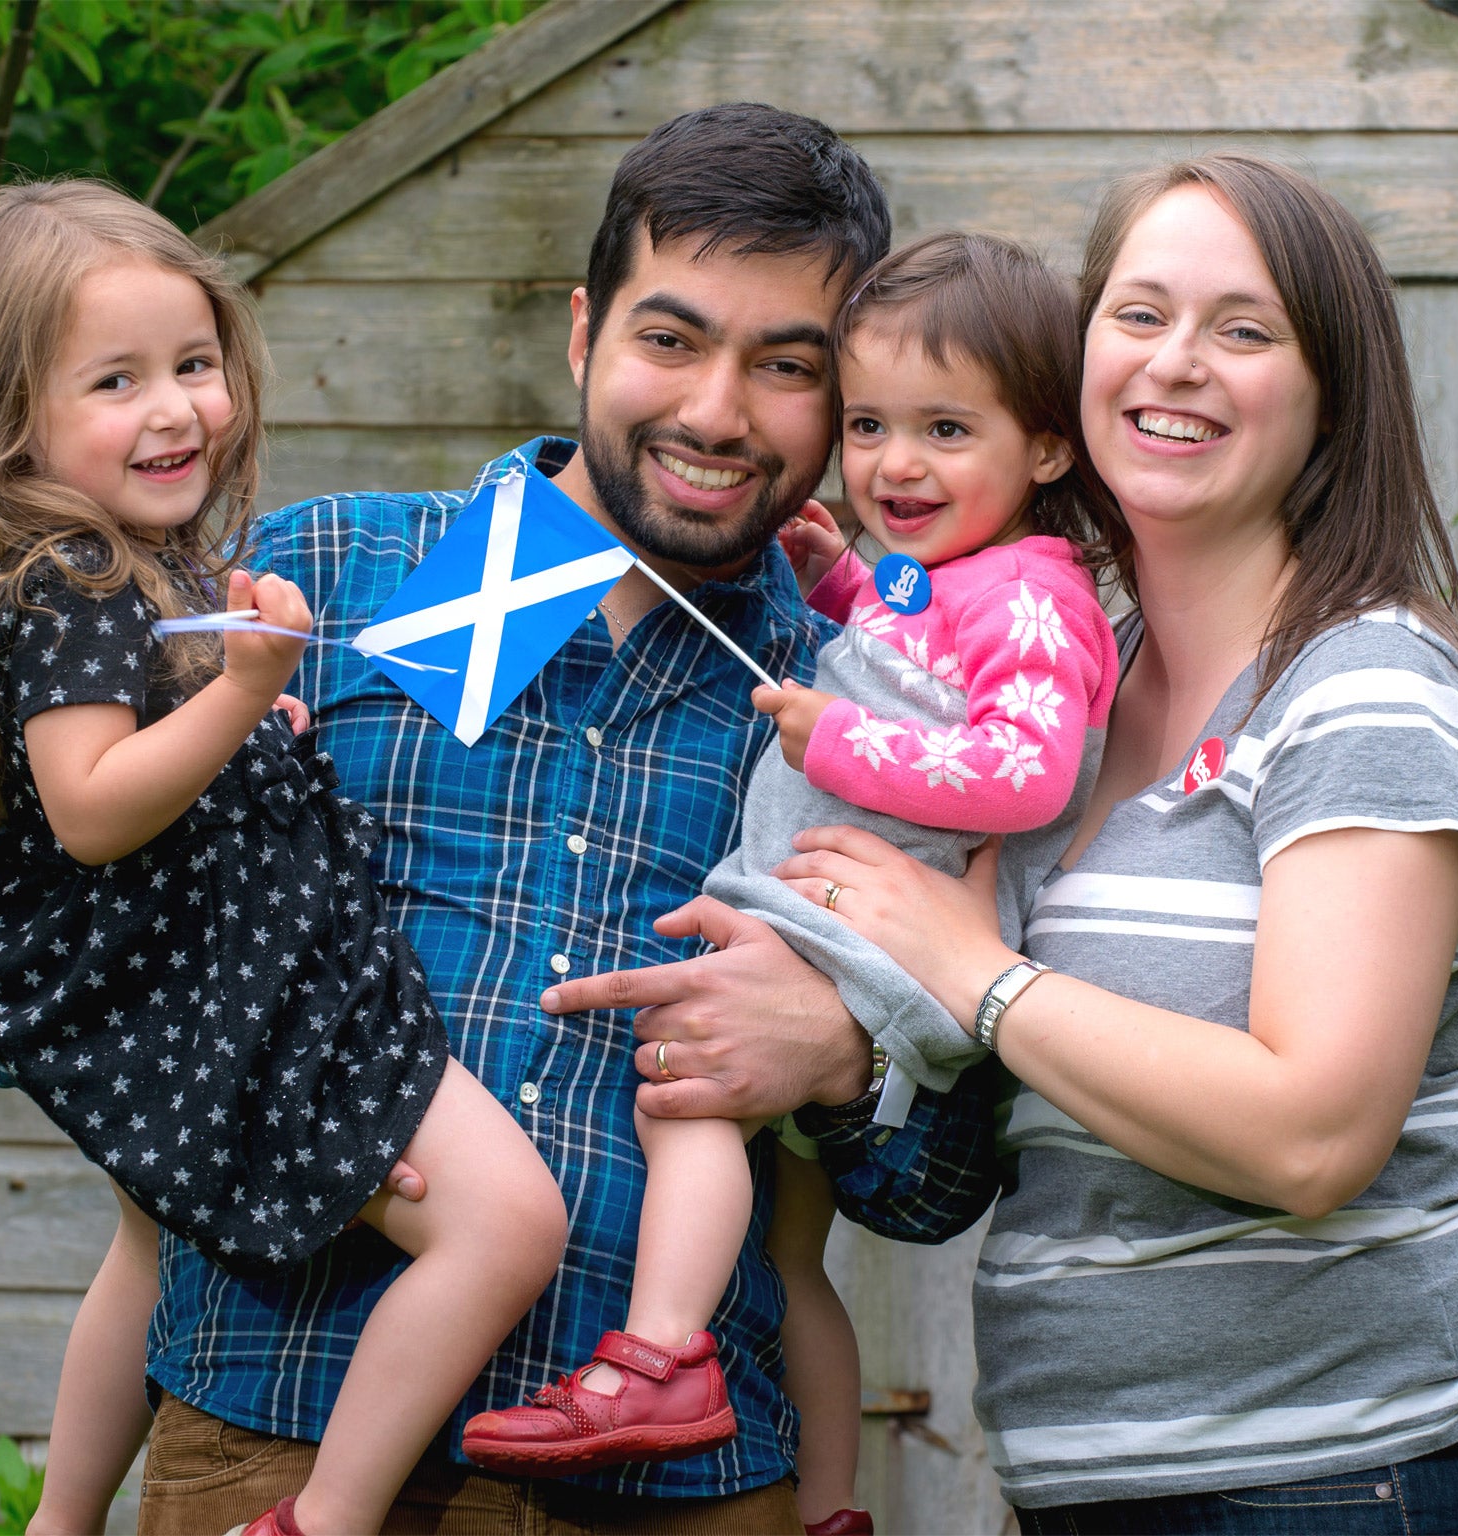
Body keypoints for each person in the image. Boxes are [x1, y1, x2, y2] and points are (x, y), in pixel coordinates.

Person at [127, 103, 950, 1535]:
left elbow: (941, 1181)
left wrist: (840, 1056)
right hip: (282, 1428)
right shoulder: (325, 585)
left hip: (678, 1487)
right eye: (671, 339)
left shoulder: (865, 705)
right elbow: (19, 927)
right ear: (585, 334)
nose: (714, 411)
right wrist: (226, 1069)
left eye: (786, 368)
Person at [753, 152, 1458, 1532]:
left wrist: (980, 978)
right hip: (1087, 1485)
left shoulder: (1363, 684)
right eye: (1138, 316)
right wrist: (834, 1044)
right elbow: (974, 1166)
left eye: (1242, 330)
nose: (1176, 363)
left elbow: (1313, 1136)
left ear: (1329, 394)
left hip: (1346, 1479)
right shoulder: (1065, 698)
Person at [0, 180, 567, 1536]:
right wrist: (241, 694)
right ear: (12, 427)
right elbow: (91, 806)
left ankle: (61, 1522)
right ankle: (328, 1514)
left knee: (152, 1244)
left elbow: (142, 753)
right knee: (507, 1225)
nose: (176, 407)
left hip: (175, 976)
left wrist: (237, 718)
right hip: (194, 988)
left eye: (192, 363)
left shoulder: (134, 561)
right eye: (116, 381)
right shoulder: (72, 578)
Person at [463, 233, 1117, 1536]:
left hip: (856, 924)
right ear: (584, 330)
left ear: (1046, 446)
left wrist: (837, 739)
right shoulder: (963, 570)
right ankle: (830, 1501)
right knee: (787, 1246)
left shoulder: (1039, 596)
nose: (895, 464)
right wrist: (838, 580)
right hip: (838, 913)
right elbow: (913, 642)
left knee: (689, 1087)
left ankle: (656, 1357)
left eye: (941, 427)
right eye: (870, 425)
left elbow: (1027, 773)